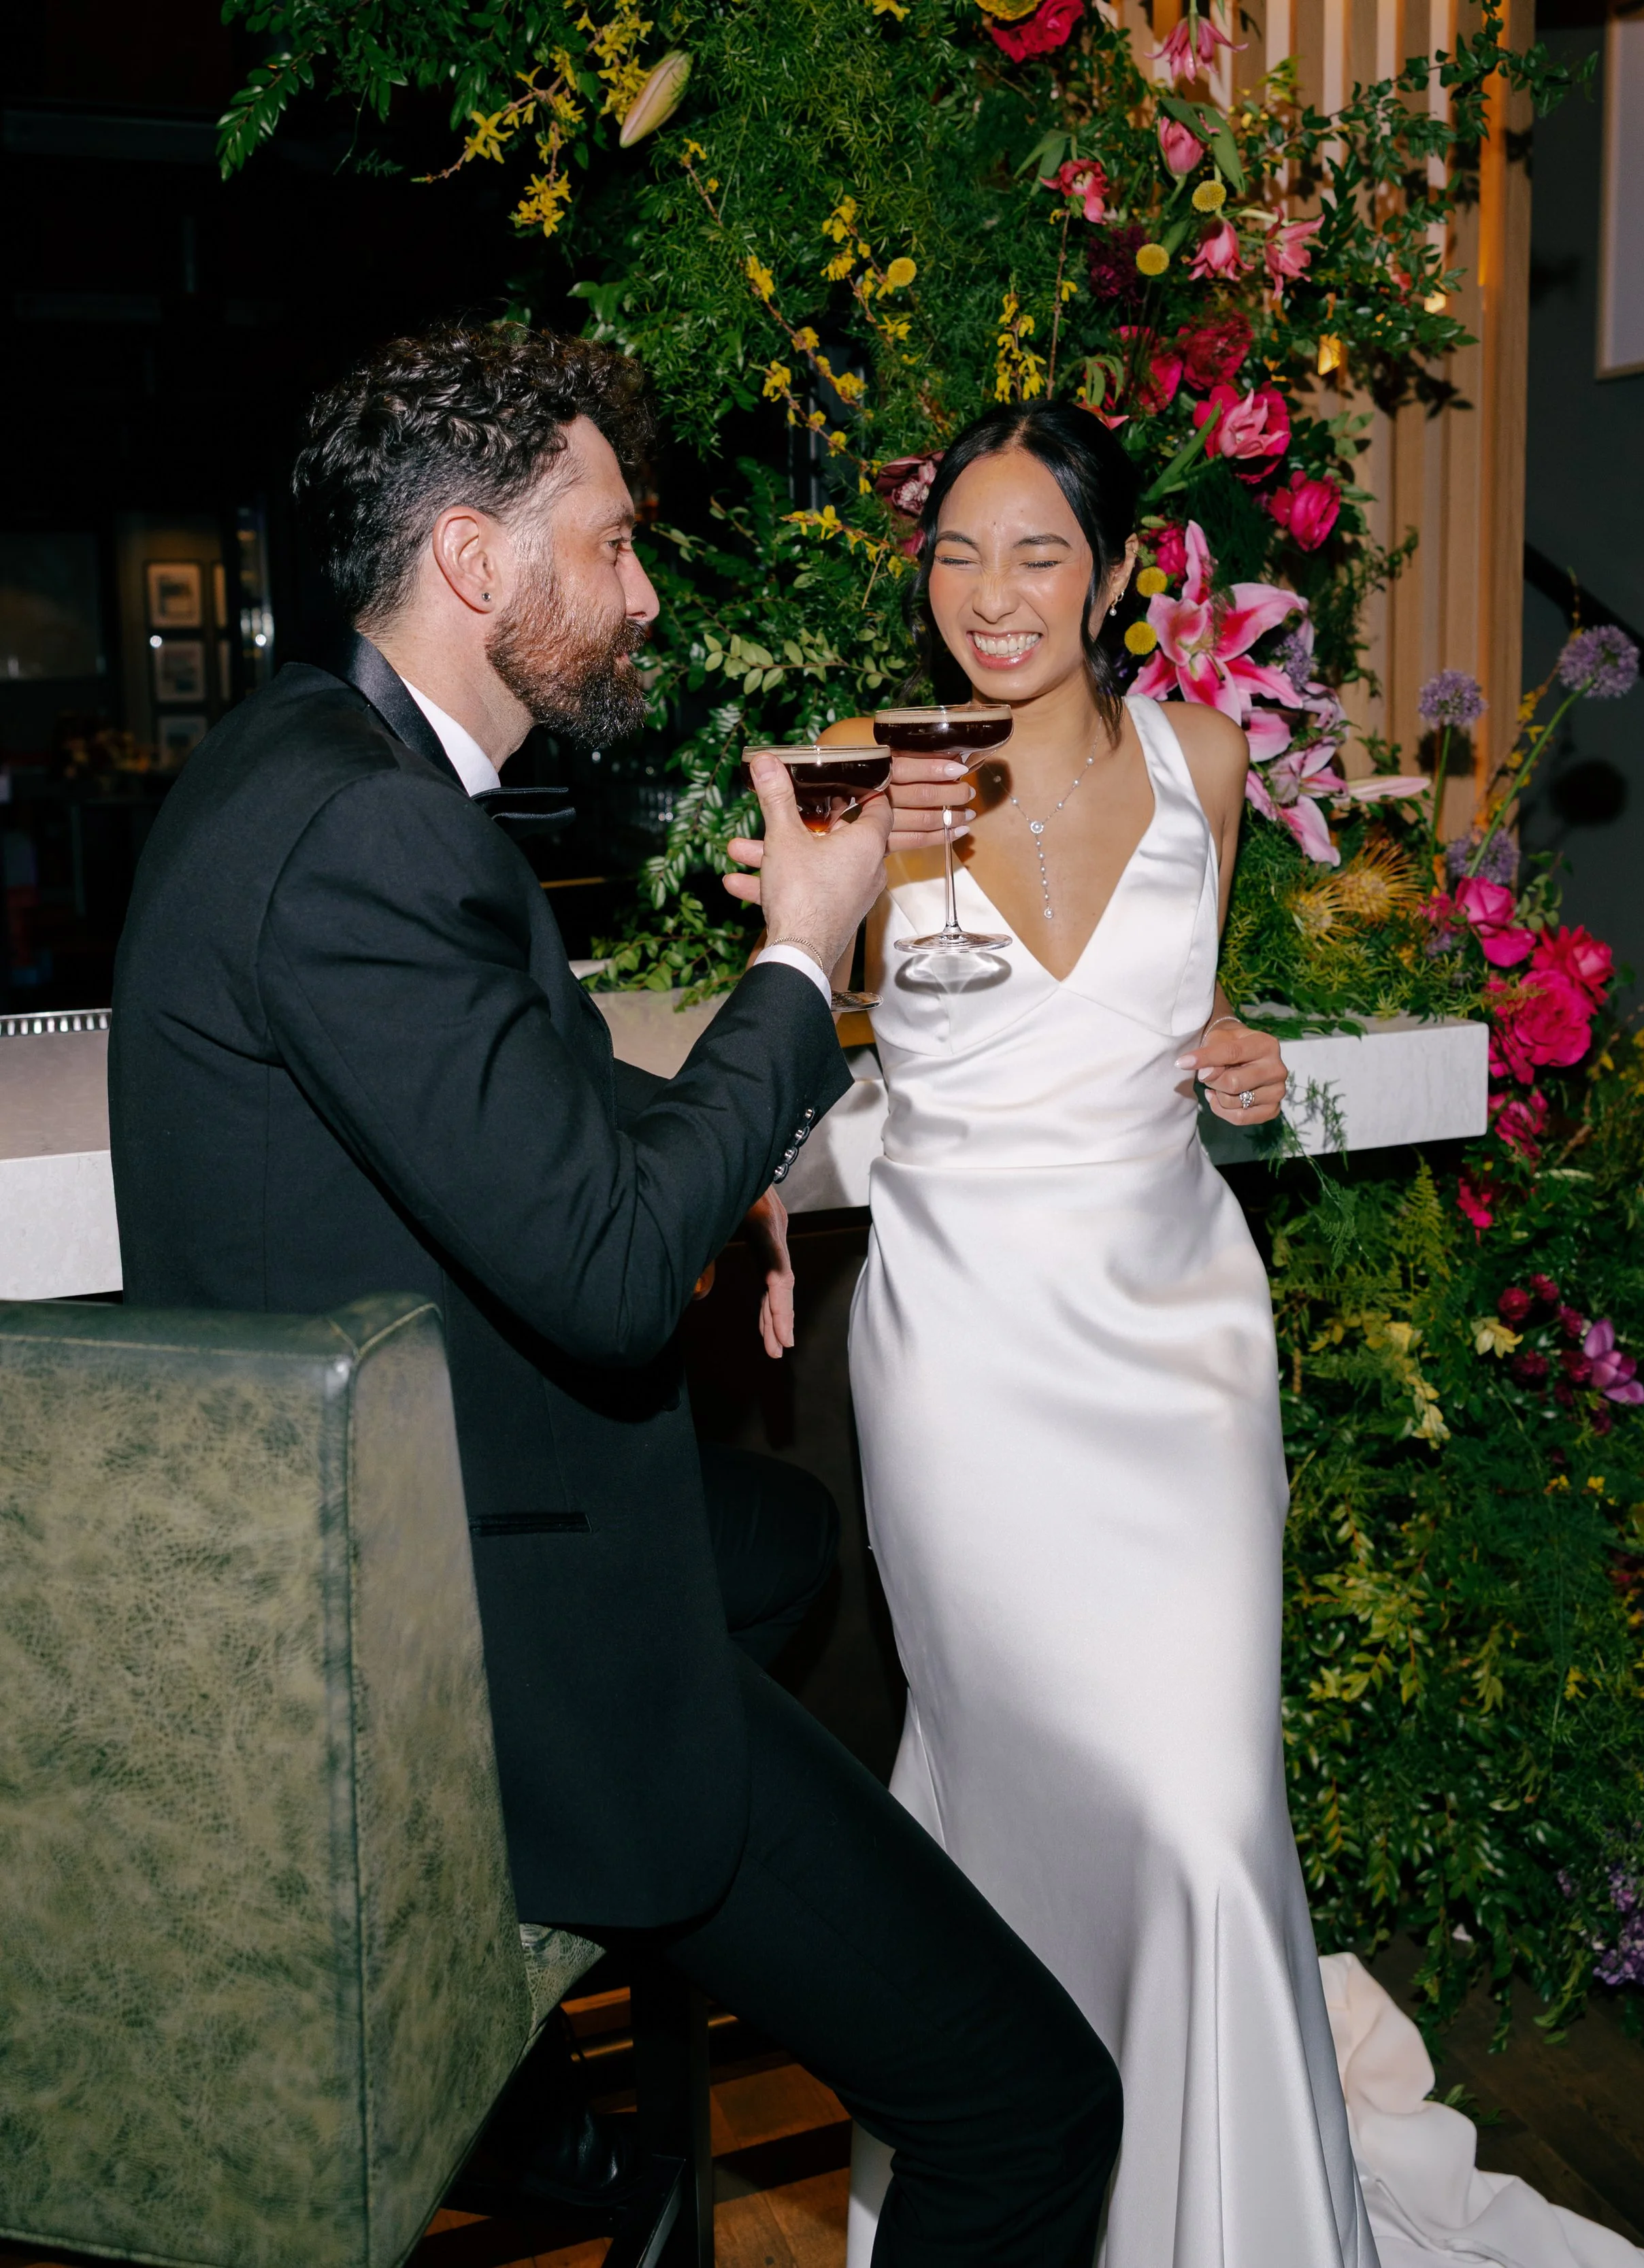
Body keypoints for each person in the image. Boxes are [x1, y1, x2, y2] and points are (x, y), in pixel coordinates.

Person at [109, 325, 1121, 2264]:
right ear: (480, 565)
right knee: (1029, 2104)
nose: (642, 588)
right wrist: (796, 958)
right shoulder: (368, 826)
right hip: (472, 1655)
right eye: (611, 541)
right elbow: (589, 1269)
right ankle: (551, 2014)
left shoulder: (307, 759)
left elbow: (502, 1106)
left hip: (388, 1543)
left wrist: (700, 1158)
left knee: (778, 1529)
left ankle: (563, 2099)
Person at [840, 399, 1379, 2268]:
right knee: (1017, 1788)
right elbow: (777, 1015)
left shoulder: (1207, 758)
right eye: (959, 552)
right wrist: (743, 1184)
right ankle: (1022, 2195)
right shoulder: (864, 771)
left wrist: (1239, 1057)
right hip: (965, 1352)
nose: (991, 598)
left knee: (1206, 1801)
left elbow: (1191, 1018)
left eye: (1038, 553)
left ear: (1120, 573)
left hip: (1175, 1341)